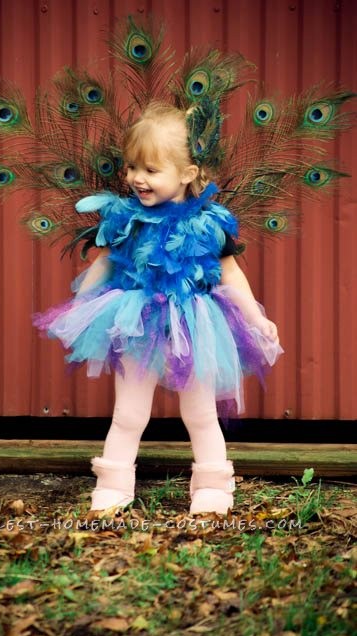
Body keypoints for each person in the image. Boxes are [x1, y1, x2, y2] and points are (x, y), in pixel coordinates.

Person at [33, 102, 283, 516]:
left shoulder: (208, 224)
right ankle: (113, 483)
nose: (136, 179)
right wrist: (79, 305)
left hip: (196, 325)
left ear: (186, 174)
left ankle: (213, 486)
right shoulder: (126, 218)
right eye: (131, 167)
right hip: (135, 322)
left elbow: (230, 274)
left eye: (150, 170)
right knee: (129, 412)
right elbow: (105, 261)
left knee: (200, 412)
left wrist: (256, 317)